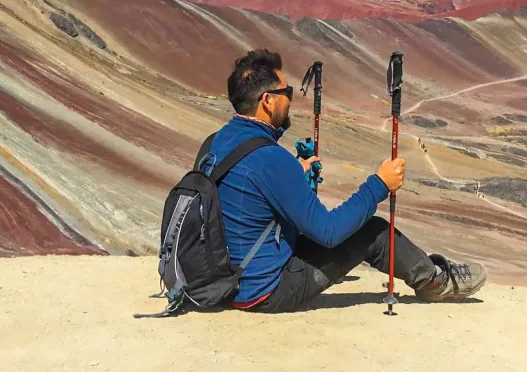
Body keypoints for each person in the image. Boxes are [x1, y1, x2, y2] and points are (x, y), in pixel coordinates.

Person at [200, 49, 487, 313]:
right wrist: (380, 184)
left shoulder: (215, 143)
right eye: (286, 91)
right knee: (373, 232)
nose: (290, 98)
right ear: (267, 101)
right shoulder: (271, 158)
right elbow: (328, 232)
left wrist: (293, 179)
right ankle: (435, 282)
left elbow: (241, 204)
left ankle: (432, 277)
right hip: (263, 291)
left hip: (222, 280)